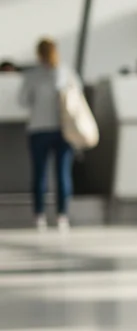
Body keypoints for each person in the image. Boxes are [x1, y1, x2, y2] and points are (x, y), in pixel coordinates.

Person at [18, 38, 79, 232]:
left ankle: (39, 215)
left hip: (39, 129)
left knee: (39, 173)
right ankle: (62, 216)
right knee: (62, 173)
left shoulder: (32, 75)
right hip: (64, 129)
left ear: (38, 53)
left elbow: (22, 100)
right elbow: (77, 96)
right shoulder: (66, 72)